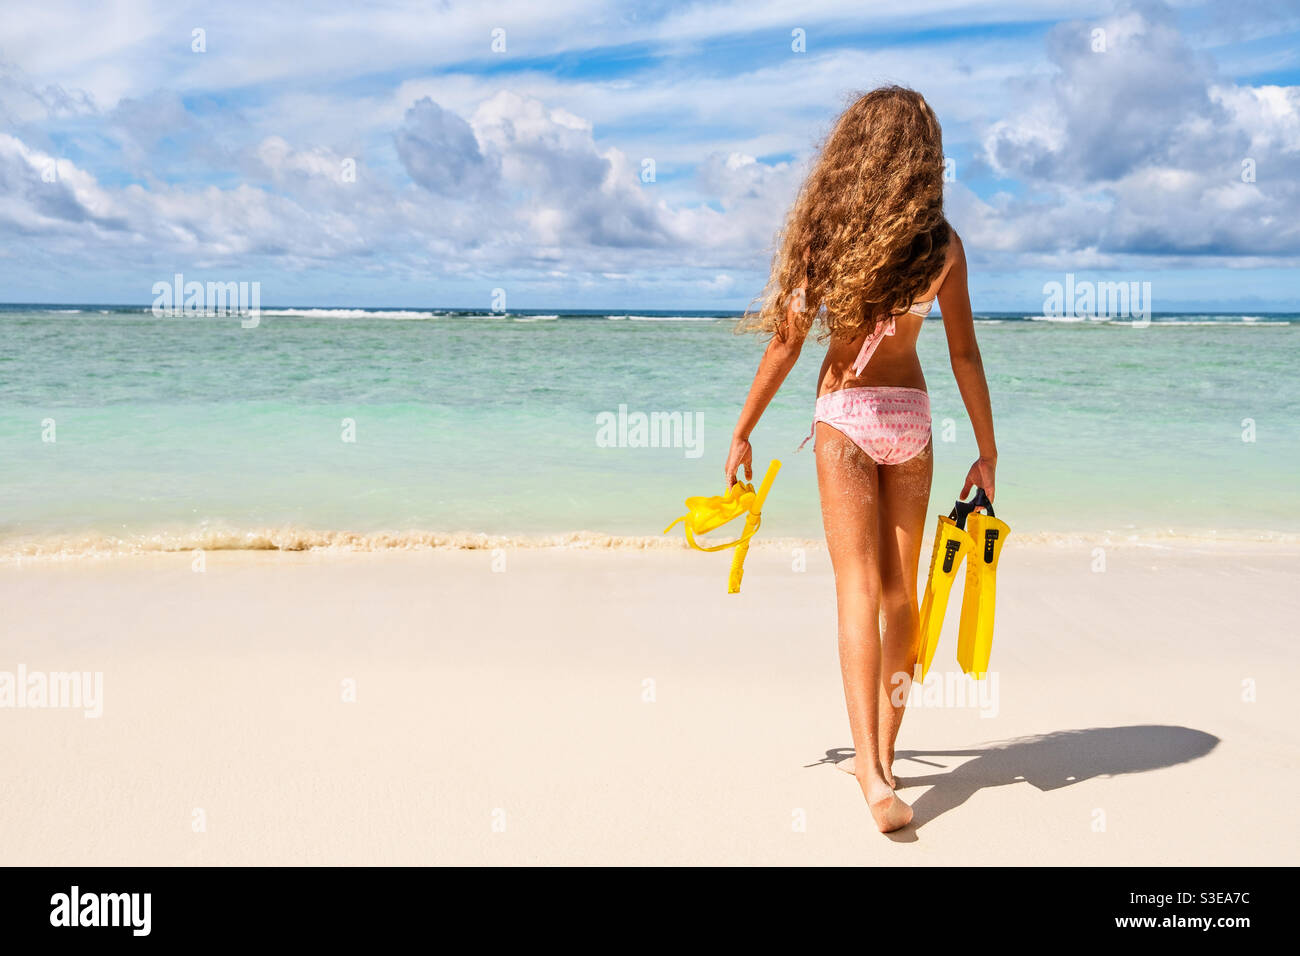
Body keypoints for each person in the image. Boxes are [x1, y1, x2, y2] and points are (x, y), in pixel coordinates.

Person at [727, 86, 999, 833]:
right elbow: (965, 352)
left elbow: (786, 343)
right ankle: (882, 752)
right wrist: (988, 448)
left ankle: (872, 775)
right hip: (910, 418)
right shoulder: (941, 247)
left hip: (845, 418)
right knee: (899, 595)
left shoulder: (830, 236)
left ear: (852, 156)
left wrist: (744, 428)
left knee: (854, 589)